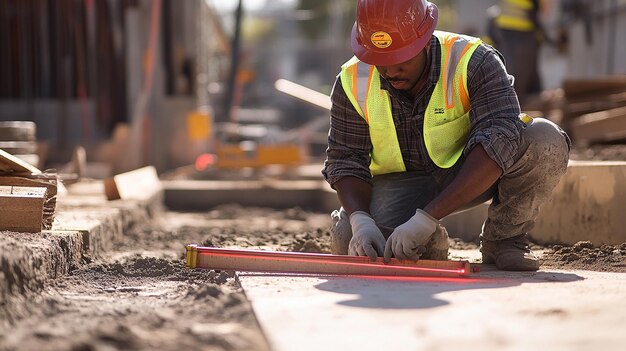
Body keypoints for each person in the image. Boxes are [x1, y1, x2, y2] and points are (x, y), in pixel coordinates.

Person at [322, 0, 571, 271]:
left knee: (545, 140)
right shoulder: (352, 79)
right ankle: (430, 243)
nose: (390, 70)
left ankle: (504, 239)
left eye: (401, 58)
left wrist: (426, 219)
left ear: (426, 41)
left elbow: (500, 137)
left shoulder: (473, 60)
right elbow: (345, 158)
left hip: (470, 170)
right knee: (350, 241)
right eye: (380, 61)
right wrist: (361, 220)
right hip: (399, 184)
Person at [488, 0, 548, 103]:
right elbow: (543, 10)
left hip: (506, 30)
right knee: (521, 73)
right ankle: (519, 102)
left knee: (511, 70)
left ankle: (513, 102)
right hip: (522, 33)